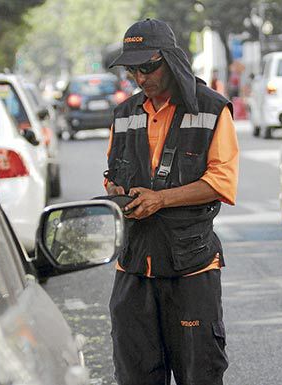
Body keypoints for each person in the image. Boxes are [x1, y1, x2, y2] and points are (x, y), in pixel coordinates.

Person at [104, 18, 239, 385]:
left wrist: (160, 200)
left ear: (171, 60)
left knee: (200, 374)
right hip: (133, 269)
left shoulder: (212, 109)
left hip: (191, 267)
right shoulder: (124, 115)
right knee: (135, 375)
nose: (140, 77)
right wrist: (117, 194)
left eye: (148, 66)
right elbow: (112, 176)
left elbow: (220, 181)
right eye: (133, 69)